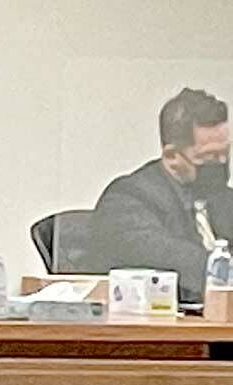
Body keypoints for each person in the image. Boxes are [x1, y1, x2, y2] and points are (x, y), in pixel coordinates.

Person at [91, 87, 233, 302]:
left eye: (225, 153)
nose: (221, 164)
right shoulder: (127, 200)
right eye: (210, 156)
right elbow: (178, 262)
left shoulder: (221, 198)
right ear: (172, 155)